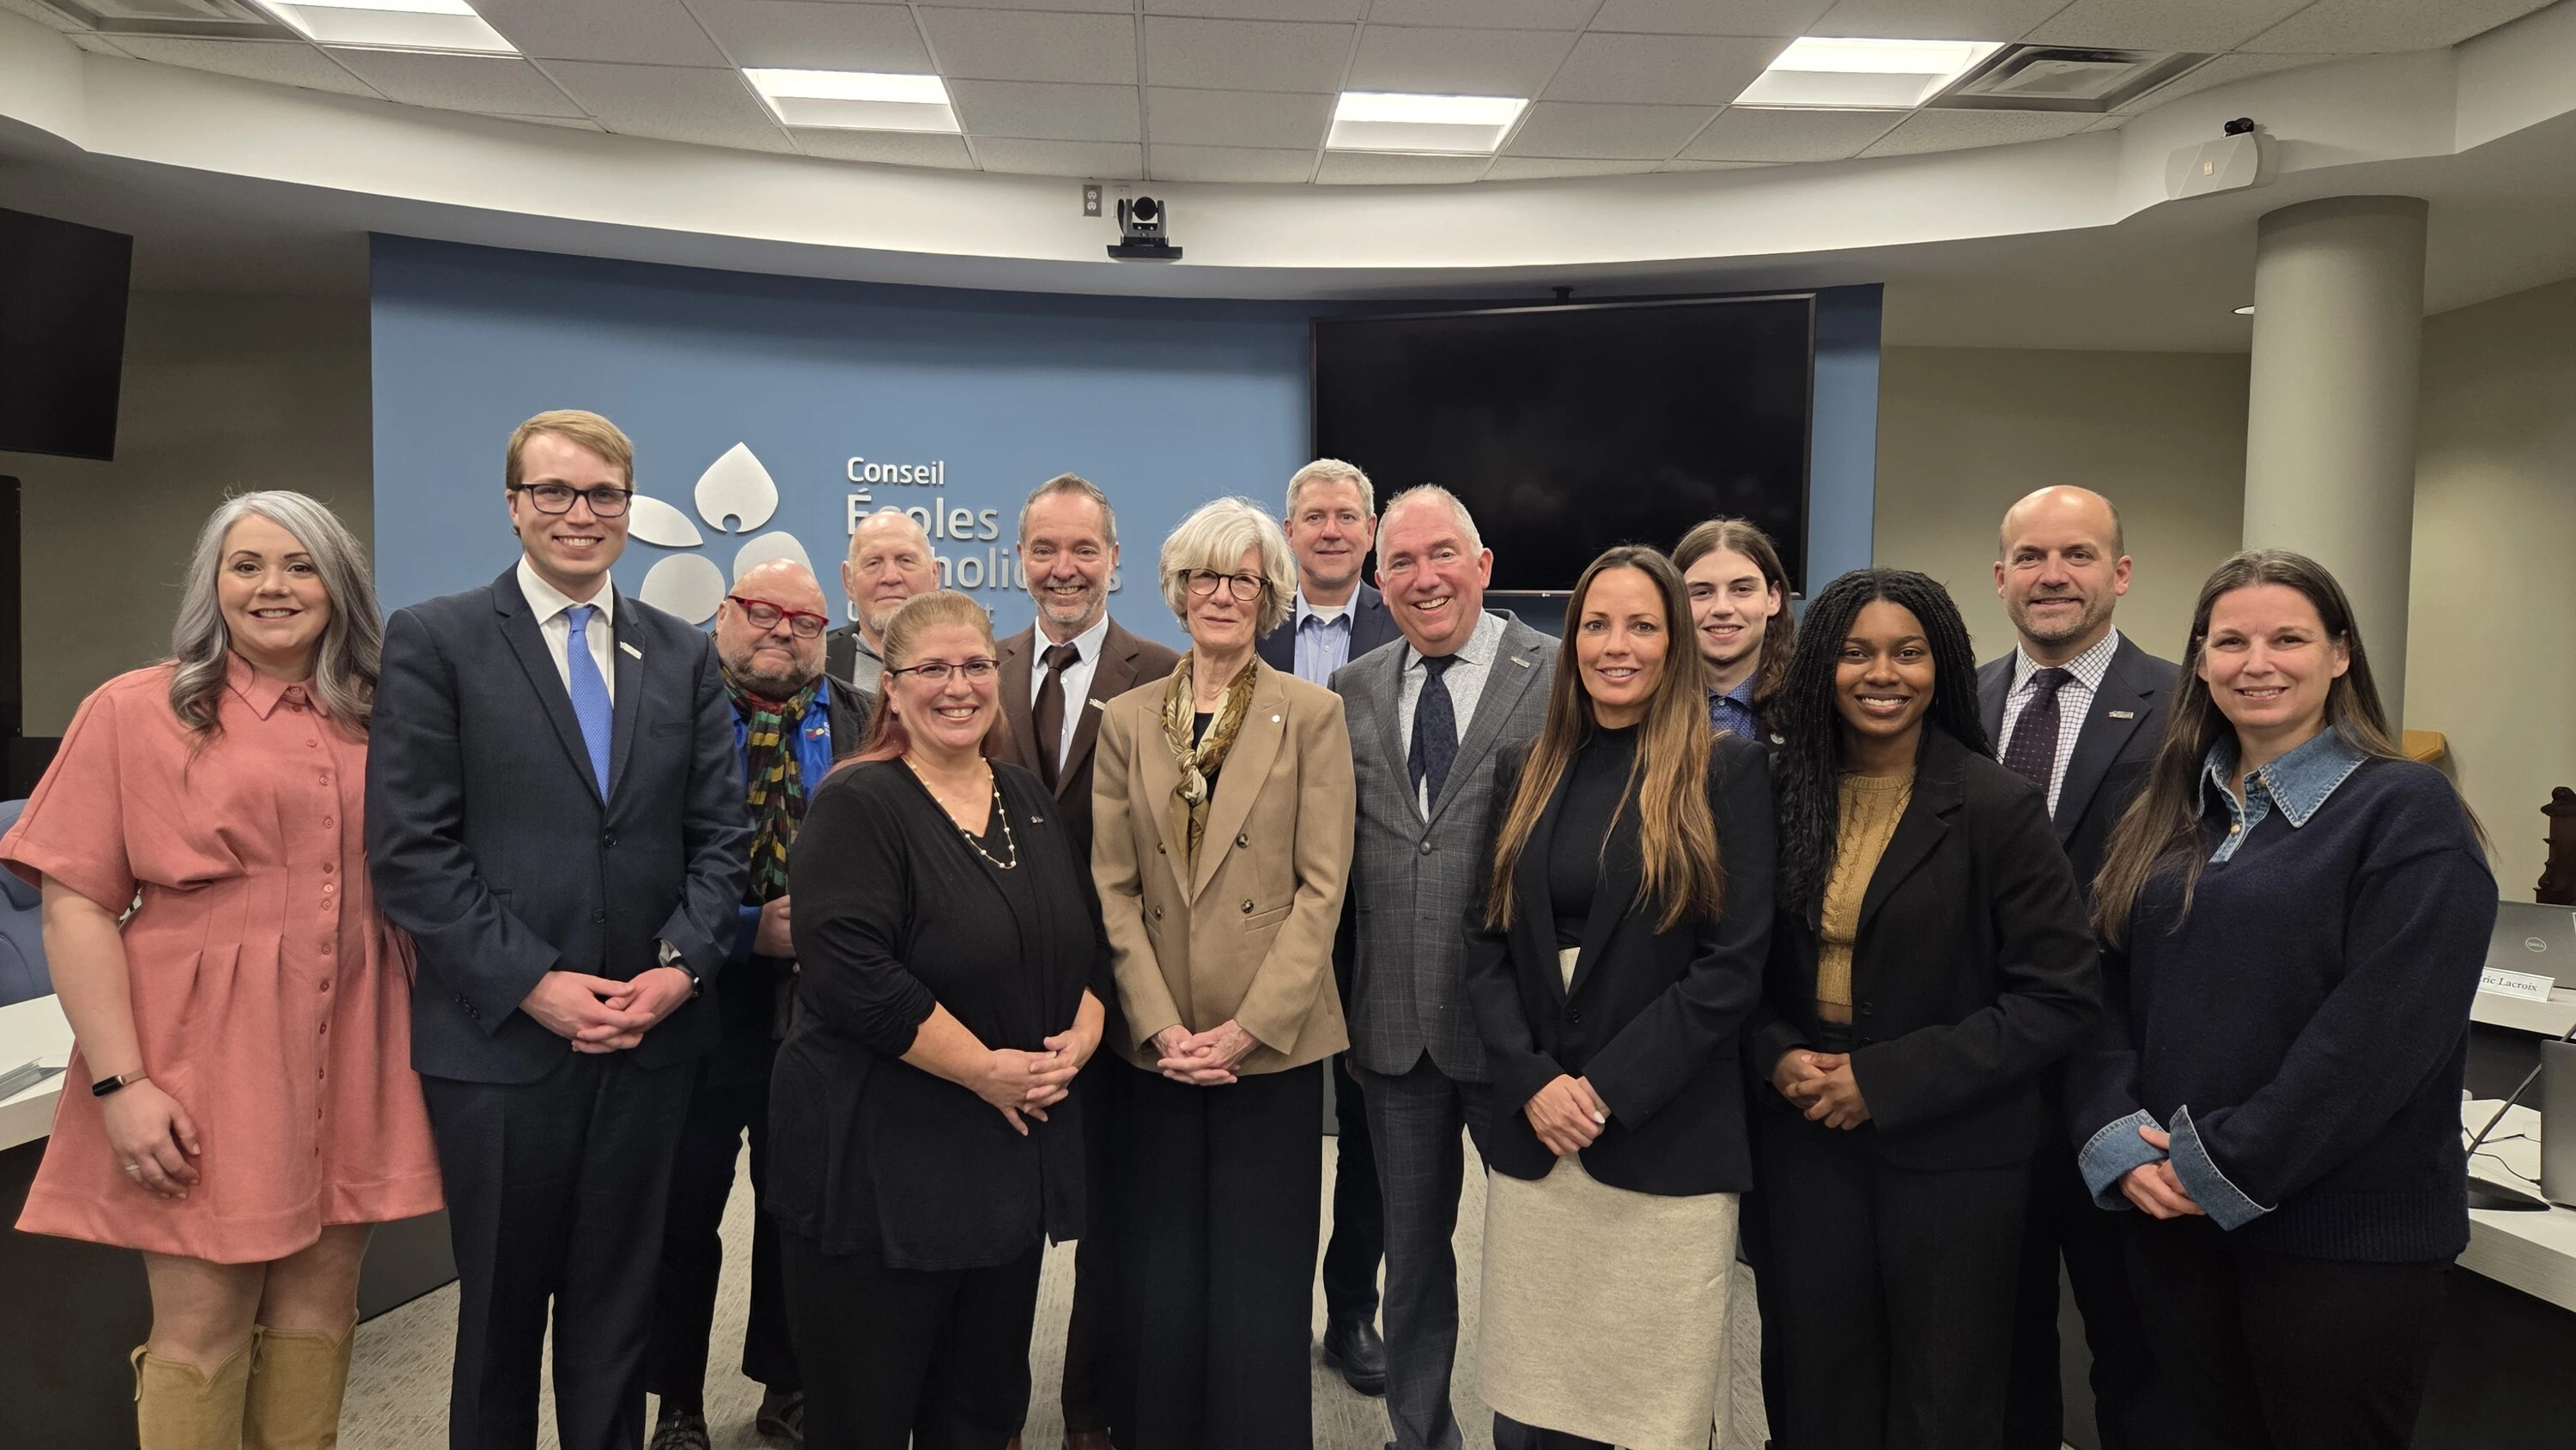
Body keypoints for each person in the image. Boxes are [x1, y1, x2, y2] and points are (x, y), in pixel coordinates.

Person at [3, 493, 441, 1450]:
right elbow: (75, 902)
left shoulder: (385, 716)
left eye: (300, 565)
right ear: (213, 582)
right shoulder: (135, 709)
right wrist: (122, 1082)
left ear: (340, 586)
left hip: (360, 1040)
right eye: (246, 565)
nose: (273, 586)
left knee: (321, 1316)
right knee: (202, 1326)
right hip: (204, 1052)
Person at [368, 410, 750, 1450]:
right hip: (499, 1047)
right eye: (555, 493)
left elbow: (724, 838)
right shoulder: (436, 639)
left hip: (651, 1037)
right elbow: (411, 850)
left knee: (617, 1310)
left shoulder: (679, 654)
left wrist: (678, 971)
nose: (580, 515)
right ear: (513, 505)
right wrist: (536, 983)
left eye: (604, 496)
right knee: (497, 1313)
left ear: (630, 509)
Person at [2069, 550, 2494, 1450]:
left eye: (2288, 638)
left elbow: (2378, 1037)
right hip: (2171, 1227)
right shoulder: (2166, 815)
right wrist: (2117, 1139)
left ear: (2341, 654)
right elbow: (2099, 987)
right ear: (2201, 660)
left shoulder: (2405, 811)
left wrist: (2214, 1164)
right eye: (2231, 641)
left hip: (2340, 1243)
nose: (2257, 662)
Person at [1748, 567, 2099, 1450]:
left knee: (1942, 1400)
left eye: (1908, 653)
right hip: (1805, 1138)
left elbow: (2057, 996)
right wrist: (1777, 1052)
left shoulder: (1996, 806)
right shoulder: (1774, 791)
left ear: (1940, 666)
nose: (1883, 673)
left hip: (1954, 1153)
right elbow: (1734, 965)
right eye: (1857, 653)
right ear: (1822, 664)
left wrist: (1884, 1079)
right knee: (1815, 1380)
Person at [768, 589, 1109, 1450]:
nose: (957, 687)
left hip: (999, 1171)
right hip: (880, 1170)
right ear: (891, 686)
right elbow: (853, 976)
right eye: (931, 669)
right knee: (869, 1412)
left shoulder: (1023, 796)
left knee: (981, 1409)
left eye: (974, 666)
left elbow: (1083, 935)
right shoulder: (859, 804)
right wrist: (986, 1070)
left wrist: (1089, 1026)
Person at [1461, 546, 1776, 1450]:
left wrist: (1603, 1091)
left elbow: (1731, 968)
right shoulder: (1527, 768)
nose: (1616, 645)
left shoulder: (1725, 772)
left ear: (1674, 642)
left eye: (1643, 625)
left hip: (1660, 1136)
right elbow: (1483, 948)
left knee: (1650, 1414)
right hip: (1538, 1141)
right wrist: (1532, 1083)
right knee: (1534, 1408)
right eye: (1596, 624)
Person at [1091, 497, 1355, 1450]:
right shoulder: (1126, 720)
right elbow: (1112, 887)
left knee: (1258, 1272)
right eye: (1205, 575)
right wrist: (1162, 1027)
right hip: (1158, 1042)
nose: (1222, 594)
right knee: (1161, 1265)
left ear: (1270, 594)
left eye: (1242, 577)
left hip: (1268, 1043)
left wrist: (1246, 1030)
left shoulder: (1313, 715)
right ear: (1177, 589)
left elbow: (1324, 890)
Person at [1333, 484, 1552, 1450]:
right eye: (1402, 564)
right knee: (1414, 1257)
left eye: (1442, 556)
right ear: (1381, 583)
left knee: (1537, 1258)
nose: (1424, 579)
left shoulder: (1557, 674)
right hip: (1391, 1028)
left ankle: (1540, 1428)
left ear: (1484, 565)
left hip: (1523, 1033)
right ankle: (1418, 1434)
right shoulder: (1353, 688)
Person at [647, 561, 872, 1450]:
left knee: (799, 1207)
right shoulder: (668, 716)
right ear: (724, 616)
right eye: (762, 612)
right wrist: (744, 931)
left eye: (805, 620)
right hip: (693, 999)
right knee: (681, 1215)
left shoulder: (860, 718)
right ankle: (676, 1405)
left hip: (819, 1012)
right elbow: (638, 859)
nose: (782, 630)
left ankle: (789, 1387)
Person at [981, 472, 1177, 1450]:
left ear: (1115, 560)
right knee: (997, 1229)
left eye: (1083, 550)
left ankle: (1091, 1412)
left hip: (1121, 991)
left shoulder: (1168, 672)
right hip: (994, 1005)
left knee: (1111, 1224)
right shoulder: (978, 667)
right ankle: (994, 1416)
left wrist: (1115, 992)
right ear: (1021, 560)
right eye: (1045, 550)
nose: (1065, 568)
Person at [1978, 486, 2176, 1450]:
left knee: (2136, 1357)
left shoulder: (2187, 706)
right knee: (1995, 1355)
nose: (2054, 575)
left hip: (2125, 1085)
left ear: (2120, 573)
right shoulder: (1953, 703)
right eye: (2034, 557)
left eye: (2080, 555)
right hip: (1980, 1091)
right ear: (2001, 575)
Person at [1259, 457, 1399, 1398]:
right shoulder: (1244, 627)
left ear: (1371, 528)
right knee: (1264, 1125)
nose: (1332, 530)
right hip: (1260, 919)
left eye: (1348, 515)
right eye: (1314, 516)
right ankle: (1262, 1313)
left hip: (1375, 920)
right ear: (1291, 529)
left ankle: (1352, 1309)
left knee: (1370, 1131)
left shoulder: (1408, 628)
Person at [1672, 518, 1792, 741]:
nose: (1722, 608)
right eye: (1702, 592)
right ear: (1674, 603)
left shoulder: (1810, 705)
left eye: (1742, 589)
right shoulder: (1645, 706)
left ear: (1773, 598)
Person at [826, 507, 938, 696]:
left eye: (906, 560)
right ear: (848, 580)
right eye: (873, 563)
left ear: (934, 575)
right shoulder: (817, 662)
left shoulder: (975, 664)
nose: (890, 577)